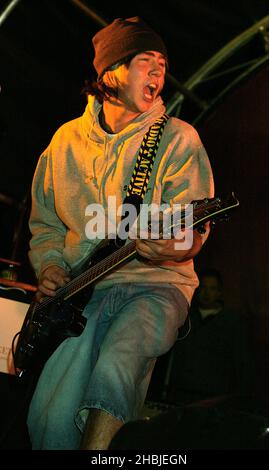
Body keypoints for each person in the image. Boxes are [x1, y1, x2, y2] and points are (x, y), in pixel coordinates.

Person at [26, 17, 214, 450]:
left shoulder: (178, 139)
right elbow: (45, 224)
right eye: (145, 61)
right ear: (110, 72)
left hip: (157, 287)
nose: (158, 72)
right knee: (50, 417)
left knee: (118, 365)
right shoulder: (64, 143)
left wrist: (170, 246)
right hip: (82, 292)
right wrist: (52, 265)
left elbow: (192, 231)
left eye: (163, 64)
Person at [157, 268, 257, 406]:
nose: (207, 293)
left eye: (212, 288)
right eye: (203, 287)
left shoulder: (231, 322)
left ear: (219, 292)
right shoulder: (184, 318)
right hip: (181, 394)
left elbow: (241, 361)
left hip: (214, 396)